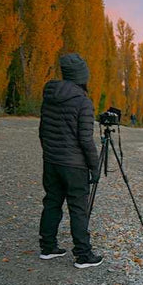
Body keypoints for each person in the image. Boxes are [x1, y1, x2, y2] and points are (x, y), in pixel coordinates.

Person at [38, 53, 103, 269]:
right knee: (78, 208)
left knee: (52, 202)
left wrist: (49, 153)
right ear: (82, 76)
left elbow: (43, 130)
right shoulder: (83, 102)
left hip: (52, 161)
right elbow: (85, 139)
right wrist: (94, 167)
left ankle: (47, 247)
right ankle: (83, 255)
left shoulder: (49, 95)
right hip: (74, 166)